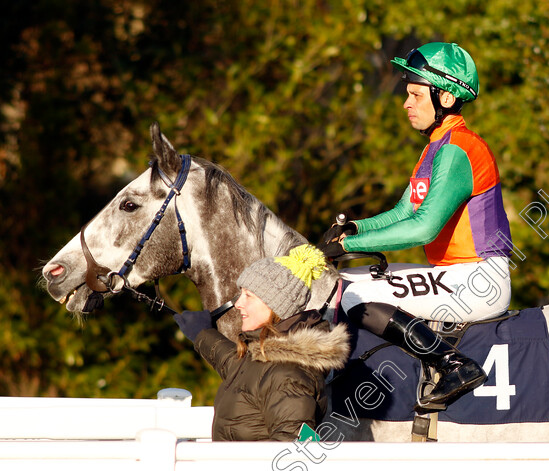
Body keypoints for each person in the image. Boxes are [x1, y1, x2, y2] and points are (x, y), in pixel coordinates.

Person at [318, 42, 513, 413]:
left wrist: (347, 247)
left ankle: (453, 364)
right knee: (341, 284)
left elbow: (423, 228)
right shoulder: (436, 148)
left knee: (353, 298)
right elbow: (401, 212)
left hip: (478, 280)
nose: (406, 103)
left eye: (415, 94)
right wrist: (354, 230)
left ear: (446, 98)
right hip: (453, 274)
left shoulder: (461, 149)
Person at [173, 245, 349, 441]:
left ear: (277, 306)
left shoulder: (289, 375)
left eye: (249, 295)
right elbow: (234, 365)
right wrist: (201, 333)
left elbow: (293, 450)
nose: (238, 303)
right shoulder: (261, 359)